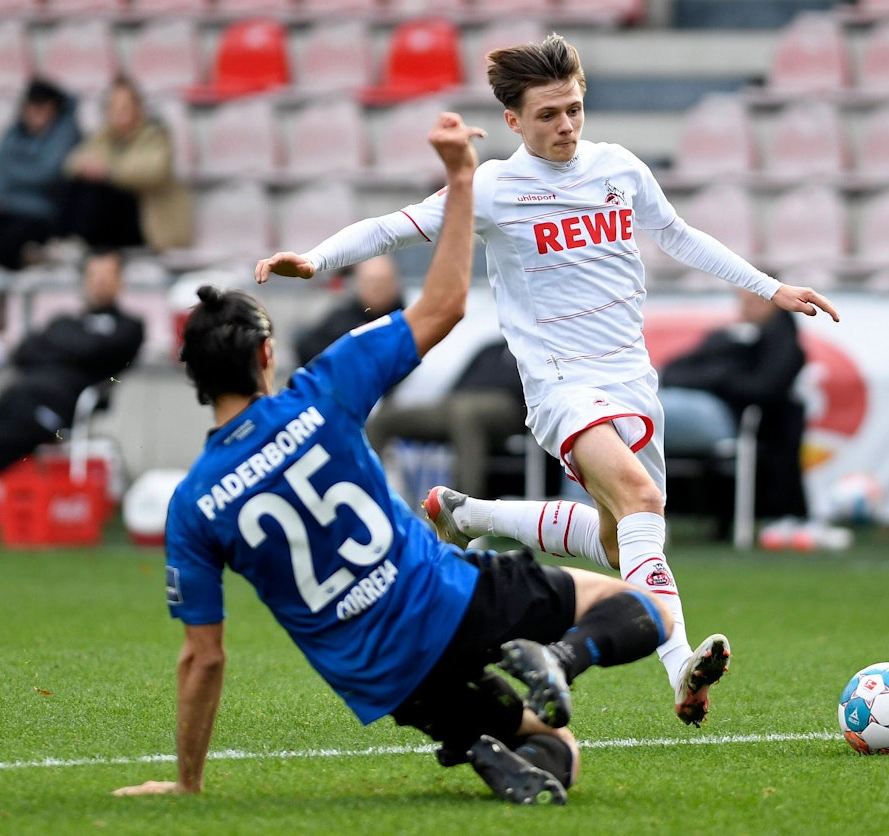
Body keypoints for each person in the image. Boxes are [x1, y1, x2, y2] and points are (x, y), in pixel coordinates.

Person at [254, 34, 839, 728]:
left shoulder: (618, 168)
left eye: (573, 108)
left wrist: (770, 288)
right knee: (642, 497)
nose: (564, 125)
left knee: (625, 536)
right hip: (560, 386)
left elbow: (678, 235)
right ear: (513, 122)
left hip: (630, 379)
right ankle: (676, 656)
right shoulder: (497, 186)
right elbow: (393, 228)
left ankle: (472, 516)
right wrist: (315, 260)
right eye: (547, 115)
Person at [113, 113, 672, 806]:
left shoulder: (194, 501)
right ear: (265, 354)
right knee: (642, 608)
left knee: (553, 751)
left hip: (380, 675)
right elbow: (443, 305)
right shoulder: (322, 390)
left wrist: (187, 782)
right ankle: (560, 659)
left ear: (195, 379)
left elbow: (203, 656)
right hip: (445, 598)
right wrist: (462, 180)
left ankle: (482, 740)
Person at [660, 288, 809, 528]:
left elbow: (765, 389)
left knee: (636, 412)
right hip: (693, 405)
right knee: (635, 409)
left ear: (770, 303)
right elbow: (673, 371)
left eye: (749, 301)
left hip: (723, 418)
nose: (742, 308)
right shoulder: (729, 338)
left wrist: (720, 379)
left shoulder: (778, 346)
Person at [0, 249, 144, 474]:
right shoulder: (64, 321)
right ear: (84, 280)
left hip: (58, 408)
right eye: (94, 274)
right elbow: (23, 352)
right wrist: (75, 347)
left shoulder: (129, 326)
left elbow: (96, 351)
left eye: (108, 274)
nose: (100, 281)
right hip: (16, 397)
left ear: (119, 280)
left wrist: (55, 346)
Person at [367, 337, 526, 498]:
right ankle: (366, 493)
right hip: (458, 403)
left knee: (464, 413)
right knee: (383, 418)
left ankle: (462, 508)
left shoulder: (531, 351)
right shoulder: (490, 349)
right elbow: (458, 385)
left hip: (507, 408)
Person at [60, 75, 192, 252]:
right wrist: (88, 167)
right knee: (79, 185)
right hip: (112, 223)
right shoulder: (104, 136)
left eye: (125, 106)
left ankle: (75, 245)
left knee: (98, 192)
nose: (119, 112)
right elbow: (70, 163)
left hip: (148, 225)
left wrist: (109, 171)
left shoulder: (155, 135)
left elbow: (153, 172)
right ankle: (68, 243)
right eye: (113, 106)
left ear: (138, 108)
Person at [0, 78, 81, 270]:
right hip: (6, 208)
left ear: (53, 109)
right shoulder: (14, 132)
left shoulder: (64, 133)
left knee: (6, 244)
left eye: (42, 108)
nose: (35, 114)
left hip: (42, 214)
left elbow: (47, 173)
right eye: (31, 107)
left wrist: (12, 171)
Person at [293, 255, 405, 366]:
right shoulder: (342, 320)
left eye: (382, 282)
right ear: (359, 283)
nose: (377, 288)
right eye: (371, 281)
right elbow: (306, 348)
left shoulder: (406, 319)